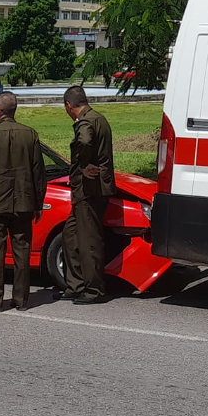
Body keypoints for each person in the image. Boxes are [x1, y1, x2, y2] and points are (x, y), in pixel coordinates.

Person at [0, 91, 45, 312]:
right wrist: (38, 203)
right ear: (14, 110)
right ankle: (21, 299)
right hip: (24, 203)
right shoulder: (30, 134)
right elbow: (39, 172)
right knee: (22, 250)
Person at [59, 85, 114, 305]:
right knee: (70, 235)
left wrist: (83, 164)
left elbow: (83, 142)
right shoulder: (98, 118)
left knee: (88, 238)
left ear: (68, 106)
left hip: (89, 190)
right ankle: (76, 284)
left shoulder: (84, 122)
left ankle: (94, 289)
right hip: (93, 188)